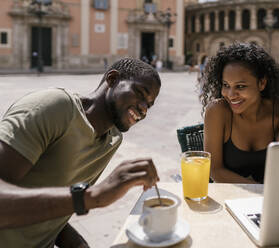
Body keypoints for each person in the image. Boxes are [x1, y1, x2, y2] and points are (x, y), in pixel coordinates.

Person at [0, 57, 161, 247]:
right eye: (139, 93)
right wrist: (92, 196)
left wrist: (78, 244)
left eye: (149, 105)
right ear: (112, 79)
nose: (143, 109)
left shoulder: (112, 140)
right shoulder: (54, 108)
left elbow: (53, 210)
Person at [200, 43, 279, 184]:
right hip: (229, 197)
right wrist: (260, 191)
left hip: (269, 199)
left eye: (240, 86)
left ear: (262, 83)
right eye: (226, 85)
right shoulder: (217, 111)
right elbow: (215, 170)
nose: (231, 95)